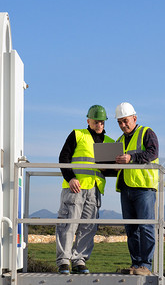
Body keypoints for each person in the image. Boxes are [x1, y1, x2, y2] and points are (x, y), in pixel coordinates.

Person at [56, 105, 114, 274]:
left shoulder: (110, 142)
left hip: (95, 190)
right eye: (96, 122)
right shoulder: (77, 134)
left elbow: (113, 169)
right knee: (69, 224)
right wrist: (70, 177)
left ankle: (79, 260)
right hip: (75, 187)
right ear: (88, 121)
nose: (99, 125)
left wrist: (108, 170)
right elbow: (63, 157)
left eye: (102, 122)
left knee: (89, 226)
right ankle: (64, 261)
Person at [114, 102, 159, 276]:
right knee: (131, 229)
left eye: (125, 121)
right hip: (126, 188)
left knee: (146, 227)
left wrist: (130, 158)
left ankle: (146, 265)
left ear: (134, 118)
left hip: (144, 187)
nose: (123, 125)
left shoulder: (147, 132)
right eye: (119, 122)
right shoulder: (119, 140)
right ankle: (136, 264)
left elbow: (152, 153)